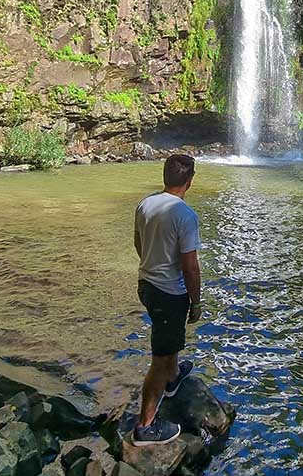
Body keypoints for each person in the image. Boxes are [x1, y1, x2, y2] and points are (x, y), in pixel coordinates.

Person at [132, 153, 203, 446]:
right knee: (159, 359)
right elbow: (190, 266)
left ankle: (173, 379)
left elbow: (138, 242)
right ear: (190, 180)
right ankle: (145, 428)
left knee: (170, 338)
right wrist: (196, 302)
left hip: (147, 284)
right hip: (168, 293)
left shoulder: (145, 204)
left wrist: (153, 264)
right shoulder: (185, 215)